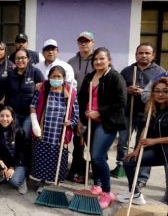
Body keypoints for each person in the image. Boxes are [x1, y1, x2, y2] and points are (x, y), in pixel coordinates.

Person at [78, 47, 127, 209]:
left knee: (98, 156)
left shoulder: (115, 77)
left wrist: (99, 111)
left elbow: (120, 102)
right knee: (94, 155)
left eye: (102, 59)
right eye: (96, 59)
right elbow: (82, 99)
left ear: (109, 60)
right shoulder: (90, 77)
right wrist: (81, 119)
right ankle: (97, 185)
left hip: (107, 123)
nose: (98, 62)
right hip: (89, 122)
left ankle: (107, 192)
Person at [114, 44, 165, 179]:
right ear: (136, 54)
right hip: (128, 112)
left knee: (142, 144)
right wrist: (127, 90)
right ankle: (122, 164)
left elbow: (161, 92)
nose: (143, 55)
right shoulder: (128, 70)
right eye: (140, 53)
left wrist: (143, 92)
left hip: (148, 114)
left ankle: (141, 177)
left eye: (147, 53)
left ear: (153, 55)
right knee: (123, 141)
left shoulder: (159, 71)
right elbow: (119, 87)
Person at [118, 78, 168, 205]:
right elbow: (144, 133)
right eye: (157, 91)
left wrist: (154, 141)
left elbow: (151, 140)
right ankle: (135, 194)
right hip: (158, 152)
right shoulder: (152, 109)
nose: (160, 94)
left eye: (165, 91)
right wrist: (136, 150)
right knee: (128, 162)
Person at [30, 66, 79, 192]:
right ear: (49, 77)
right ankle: (41, 182)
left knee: (56, 158)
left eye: (59, 77)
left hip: (60, 133)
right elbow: (33, 106)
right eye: (53, 76)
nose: (56, 79)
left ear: (63, 78)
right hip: (44, 130)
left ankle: (53, 183)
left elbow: (76, 114)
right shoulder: (43, 90)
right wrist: (35, 124)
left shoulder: (71, 94)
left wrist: (71, 122)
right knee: (41, 157)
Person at [67, 31, 95, 184]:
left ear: (93, 42)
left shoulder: (98, 60)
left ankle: (95, 174)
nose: (83, 44)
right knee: (78, 141)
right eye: (81, 41)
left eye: (87, 41)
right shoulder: (71, 62)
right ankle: (76, 171)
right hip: (77, 106)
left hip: (94, 106)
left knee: (94, 142)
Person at [1, 49, 44, 138]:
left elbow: (44, 91)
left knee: (25, 135)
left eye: (23, 58)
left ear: (28, 59)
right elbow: (7, 94)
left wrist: (39, 88)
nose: (20, 60)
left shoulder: (36, 73)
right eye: (17, 58)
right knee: (13, 136)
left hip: (29, 113)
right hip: (14, 113)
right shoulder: (10, 74)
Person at [0, 106, 30, 195]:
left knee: (14, 182)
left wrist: (12, 167)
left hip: (19, 163)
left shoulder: (19, 131)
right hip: (4, 161)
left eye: (7, 116)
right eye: (2, 116)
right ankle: (1, 175)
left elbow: (22, 153)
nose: (4, 119)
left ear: (12, 117)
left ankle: (22, 179)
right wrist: (0, 162)